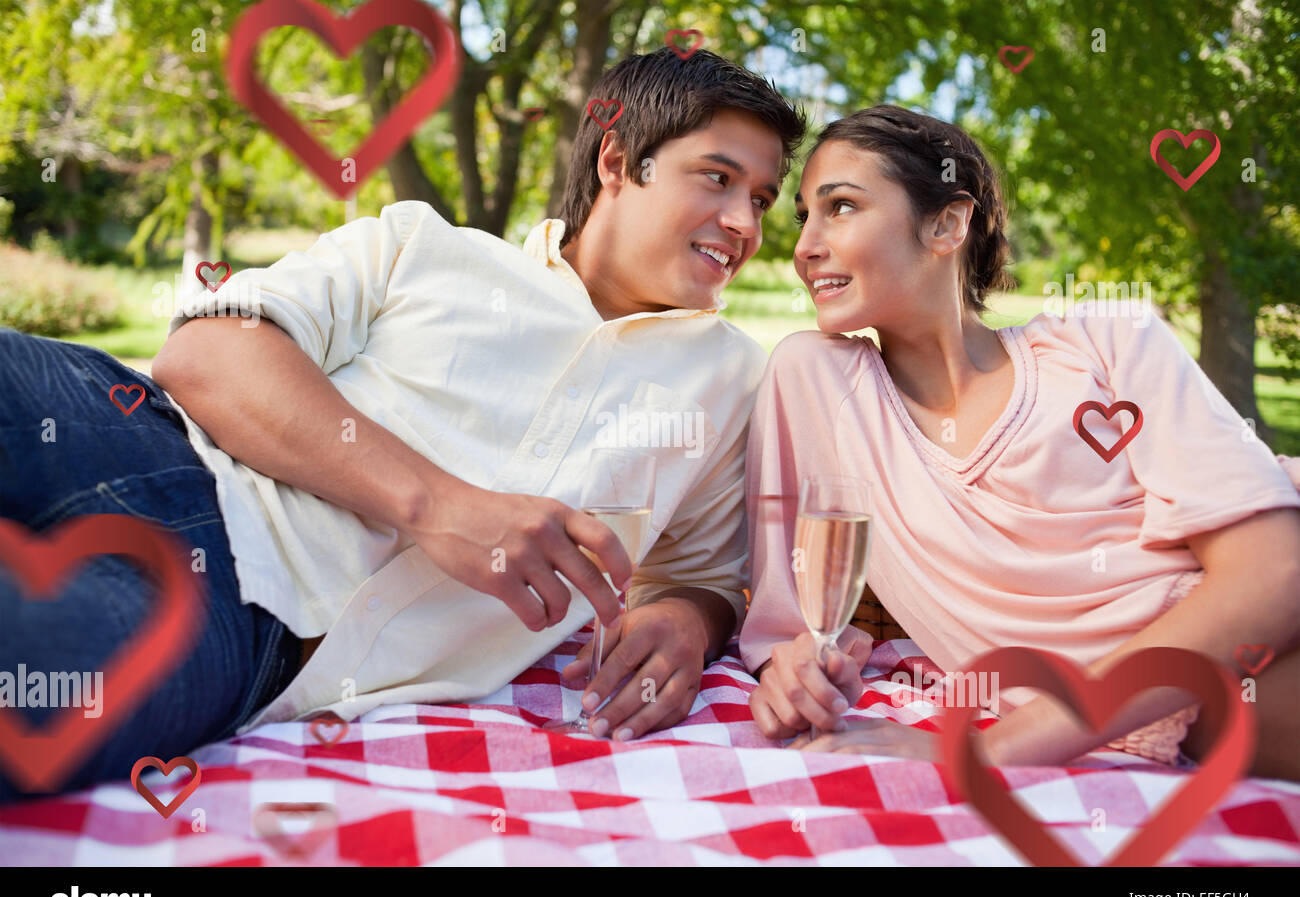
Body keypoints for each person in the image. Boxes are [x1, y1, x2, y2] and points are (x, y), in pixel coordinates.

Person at [0, 47, 806, 802]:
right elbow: (206, 356)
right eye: (718, 178)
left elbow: (704, 575)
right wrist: (440, 505)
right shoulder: (421, 245)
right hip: (134, 434)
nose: (744, 222)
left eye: (762, 199)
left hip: (241, 627)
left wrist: (687, 622)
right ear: (619, 162)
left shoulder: (732, 378)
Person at [739, 104, 1300, 780]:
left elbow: (1275, 573)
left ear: (947, 223)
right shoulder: (816, 381)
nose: (805, 247)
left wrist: (994, 748)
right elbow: (783, 615)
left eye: (843, 207)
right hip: (1193, 693)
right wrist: (787, 666)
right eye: (804, 216)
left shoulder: (1108, 338)